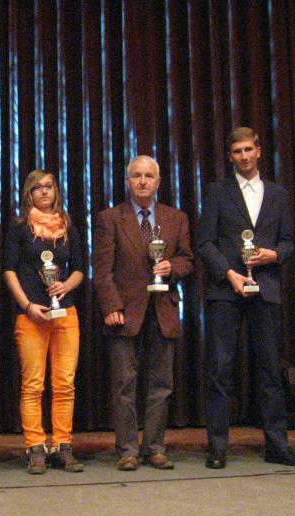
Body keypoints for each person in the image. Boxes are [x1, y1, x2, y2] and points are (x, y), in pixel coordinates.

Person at [196, 126, 295, 469]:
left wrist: (275, 255)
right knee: (219, 371)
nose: (243, 156)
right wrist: (228, 273)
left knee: (271, 370)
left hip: (266, 289)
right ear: (230, 156)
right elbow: (204, 242)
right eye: (237, 152)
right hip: (225, 291)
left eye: (248, 150)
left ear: (258, 151)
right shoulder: (217, 191)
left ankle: (277, 445)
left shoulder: (278, 194)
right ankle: (217, 447)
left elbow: (289, 242)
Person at [93, 155, 194, 471]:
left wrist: (171, 267)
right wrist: (111, 306)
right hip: (125, 312)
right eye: (136, 176)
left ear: (158, 182)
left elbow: (188, 259)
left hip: (163, 310)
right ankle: (127, 450)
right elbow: (102, 270)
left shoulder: (176, 218)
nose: (142, 181)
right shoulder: (111, 218)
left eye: (149, 176)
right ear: (128, 181)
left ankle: (155, 448)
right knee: (124, 384)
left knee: (162, 384)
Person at [3, 170, 84, 474]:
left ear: (56, 190)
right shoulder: (19, 227)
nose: (44, 192)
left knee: (64, 384)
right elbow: (8, 270)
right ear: (29, 193)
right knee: (33, 384)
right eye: (37, 188)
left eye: (49, 186)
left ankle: (63, 445)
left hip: (65, 312)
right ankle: (35, 446)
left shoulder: (68, 225)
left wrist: (66, 285)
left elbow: (79, 269)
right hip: (31, 314)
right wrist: (26, 305)